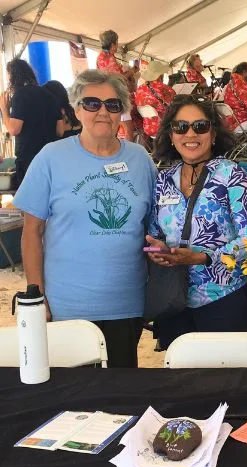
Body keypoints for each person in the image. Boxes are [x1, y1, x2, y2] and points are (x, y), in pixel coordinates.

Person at [13, 69, 156, 367]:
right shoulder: (51, 157)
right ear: (77, 110)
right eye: (92, 103)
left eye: (113, 105)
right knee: (74, 400)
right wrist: (37, 296)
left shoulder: (140, 159)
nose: (103, 112)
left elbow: (152, 225)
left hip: (126, 304)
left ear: (123, 113)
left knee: (122, 395)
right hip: (68, 305)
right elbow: (31, 233)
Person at [146, 95, 247, 349]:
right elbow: (154, 231)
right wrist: (158, 251)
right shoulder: (164, 180)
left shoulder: (231, 174)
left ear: (214, 133)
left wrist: (203, 257)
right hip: (175, 300)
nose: (190, 134)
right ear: (171, 135)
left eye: (200, 126)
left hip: (224, 298)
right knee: (181, 381)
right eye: (180, 127)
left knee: (227, 381)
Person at [0, 59, 60, 188]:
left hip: (29, 159)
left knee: (31, 201)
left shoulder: (20, 95)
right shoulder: (49, 95)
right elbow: (58, 131)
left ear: (13, 76)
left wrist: (4, 109)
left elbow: (14, 129)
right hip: (50, 156)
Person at [96, 30, 137, 142]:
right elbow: (119, 78)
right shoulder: (108, 58)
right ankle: (128, 154)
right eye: (117, 43)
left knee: (116, 126)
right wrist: (132, 71)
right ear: (113, 44)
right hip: (116, 95)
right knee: (128, 127)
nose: (117, 45)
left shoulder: (102, 56)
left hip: (108, 95)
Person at [134, 60, 176, 138]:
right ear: (160, 75)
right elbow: (174, 103)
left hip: (148, 127)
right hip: (163, 127)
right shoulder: (164, 88)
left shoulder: (139, 89)